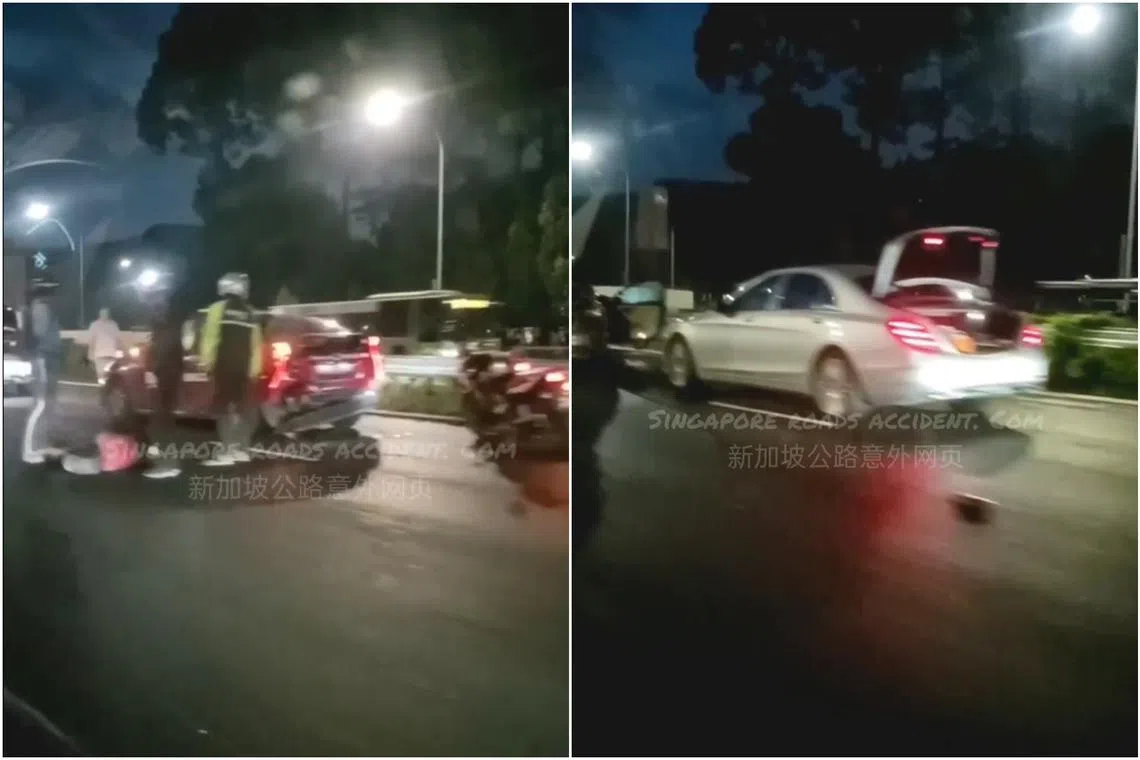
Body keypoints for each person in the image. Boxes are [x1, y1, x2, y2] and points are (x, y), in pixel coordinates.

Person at [198, 272, 263, 466]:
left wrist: (206, 362)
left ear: (225, 287)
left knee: (222, 408)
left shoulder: (217, 309)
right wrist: (254, 370)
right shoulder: (251, 312)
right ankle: (242, 450)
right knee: (243, 409)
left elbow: (210, 338)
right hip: (244, 368)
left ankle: (226, 453)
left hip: (224, 365)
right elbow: (257, 345)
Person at [21, 275, 66, 464]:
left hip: (46, 357)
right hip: (44, 358)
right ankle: (30, 450)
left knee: (46, 404)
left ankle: (41, 445)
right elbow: (40, 334)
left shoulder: (40, 306)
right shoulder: (41, 307)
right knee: (40, 405)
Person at [142, 289, 186, 479]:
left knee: (160, 419)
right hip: (173, 372)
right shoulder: (174, 322)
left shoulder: (162, 324)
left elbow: (160, 349)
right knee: (165, 417)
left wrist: (151, 369)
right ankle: (167, 459)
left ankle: (166, 464)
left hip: (164, 373)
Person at [86, 307, 121, 384]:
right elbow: (118, 340)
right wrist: (118, 354)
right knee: (108, 374)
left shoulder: (94, 325)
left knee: (102, 375)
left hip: (101, 354)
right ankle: (106, 389)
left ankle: (103, 390)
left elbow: (91, 340)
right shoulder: (113, 325)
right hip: (109, 354)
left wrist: (90, 354)